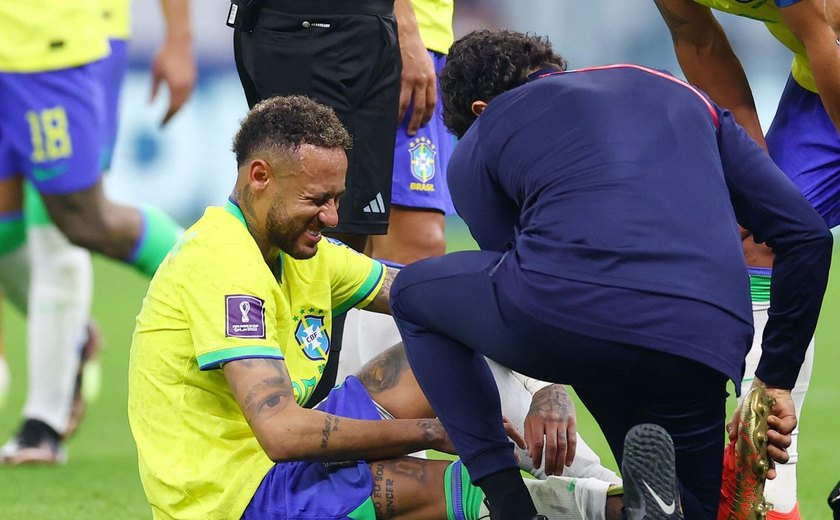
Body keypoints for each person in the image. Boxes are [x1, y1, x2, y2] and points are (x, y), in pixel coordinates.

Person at [388, 30, 832, 519]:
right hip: (706, 335)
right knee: (692, 503)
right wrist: (774, 380)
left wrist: (546, 392)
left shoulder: (488, 130)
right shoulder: (676, 91)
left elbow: (510, 265)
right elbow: (807, 235)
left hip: (574, 315)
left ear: (476, 109)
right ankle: (667, 504)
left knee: (413, 294)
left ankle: (510, 504)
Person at [127, 94, 621, 520]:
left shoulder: (301, 252)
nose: (333, 217)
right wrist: (438, 432)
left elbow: (455, 303)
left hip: (279, 468)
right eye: (317, 200)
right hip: (238, 501)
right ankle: (613, 504)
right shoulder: (221, 262)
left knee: (446, 331)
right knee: (477, 487)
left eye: (338, 199)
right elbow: (281, 434)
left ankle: (608, 493)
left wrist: (548, 385)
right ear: (260, 176)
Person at [653, 2, 840, 516]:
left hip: (832, 53)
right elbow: (698, 38)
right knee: (765, 233)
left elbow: (826, 30)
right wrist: (753, 168)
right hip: (821, 78)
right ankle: (771, 495)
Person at [0, 0, 195, 465]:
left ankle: (43, 423)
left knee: (73, 224)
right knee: (7, 236)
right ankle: (72, 334)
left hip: (60, 44)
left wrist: (179, 37)